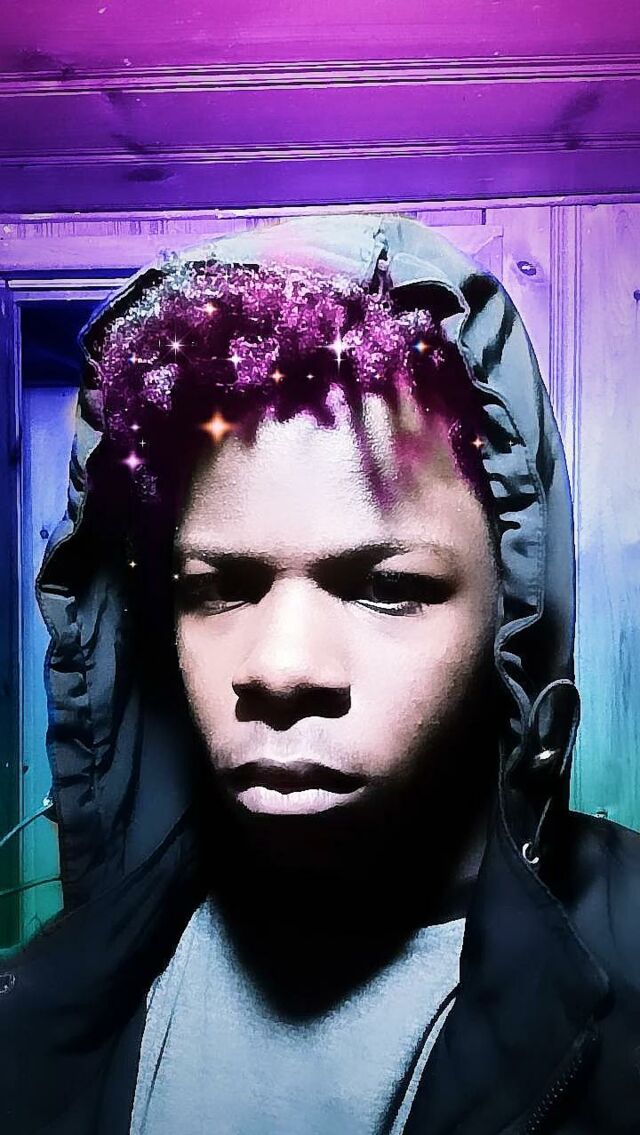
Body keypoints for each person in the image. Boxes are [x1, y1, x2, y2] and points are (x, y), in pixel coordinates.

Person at [1, 214, 639, 1135]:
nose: (281, 666)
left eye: (387, 588)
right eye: (218, 588)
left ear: (511, 621)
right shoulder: (44, 1014)